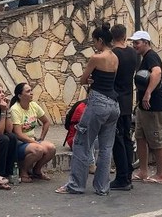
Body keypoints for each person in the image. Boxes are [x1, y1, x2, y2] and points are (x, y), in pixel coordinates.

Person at [56, 23, 120, 195]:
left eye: (95, 42)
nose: (94, 45)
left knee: (82, 143)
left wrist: (90, 80)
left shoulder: (96, 58)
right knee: (106, 148)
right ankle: (102, 187)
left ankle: (76, 185)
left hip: (98, 102)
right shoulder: (115, 57)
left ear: (100, 40)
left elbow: (83, 79)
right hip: (114, 104)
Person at [131, 30, 162, 184]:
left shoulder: (151, 56)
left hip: (154, 107)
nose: (134, 46)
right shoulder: (145, 57)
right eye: (133, 43)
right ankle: (143, 171)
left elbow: (157, 72)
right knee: (140, 137)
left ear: (146, 42)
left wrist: (148, 93)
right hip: (144, 108)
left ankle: (161, 175)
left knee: (156, 141)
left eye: (137, 43)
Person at [109, 24, 139, 191]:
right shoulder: (133, 53)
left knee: (117, 140)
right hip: (128, 99)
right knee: (127, 138)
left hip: (116, 99)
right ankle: (127, 174)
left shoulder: (114, 54)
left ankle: (122, 177)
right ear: (125, 35)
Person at [10, 82, 57, 183]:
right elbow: (18, 134)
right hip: (19, 143)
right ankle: (23, 172)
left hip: (32, 140)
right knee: (38, 149)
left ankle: (37, 170)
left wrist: (41, 138)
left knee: (51, 148)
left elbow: (46, 122)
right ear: (20, 95)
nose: (31, 93)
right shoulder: (15, 109)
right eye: (28, 91)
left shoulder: (34, 105)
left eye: (31, 91)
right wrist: (35, 143)